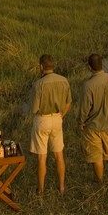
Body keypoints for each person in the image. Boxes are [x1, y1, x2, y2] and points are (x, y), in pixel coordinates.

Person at [29, 54, 72, 194]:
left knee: (42, 156)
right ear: (53, 65)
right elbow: (68, 103)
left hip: (42, 119)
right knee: (59, 154)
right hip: (57, 118)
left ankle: (41, 189)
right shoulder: (64, 81)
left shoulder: (38, 84)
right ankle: (61, 187)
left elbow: (34, 109)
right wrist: (61, 115)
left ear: (41, 66)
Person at [78, 53, 108, 183]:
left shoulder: (88, 85)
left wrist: (80, 122)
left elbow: (84, 109)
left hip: (93, 127)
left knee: (96, 156)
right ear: (102, 64)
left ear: (90, 67)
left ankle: (99, 181)